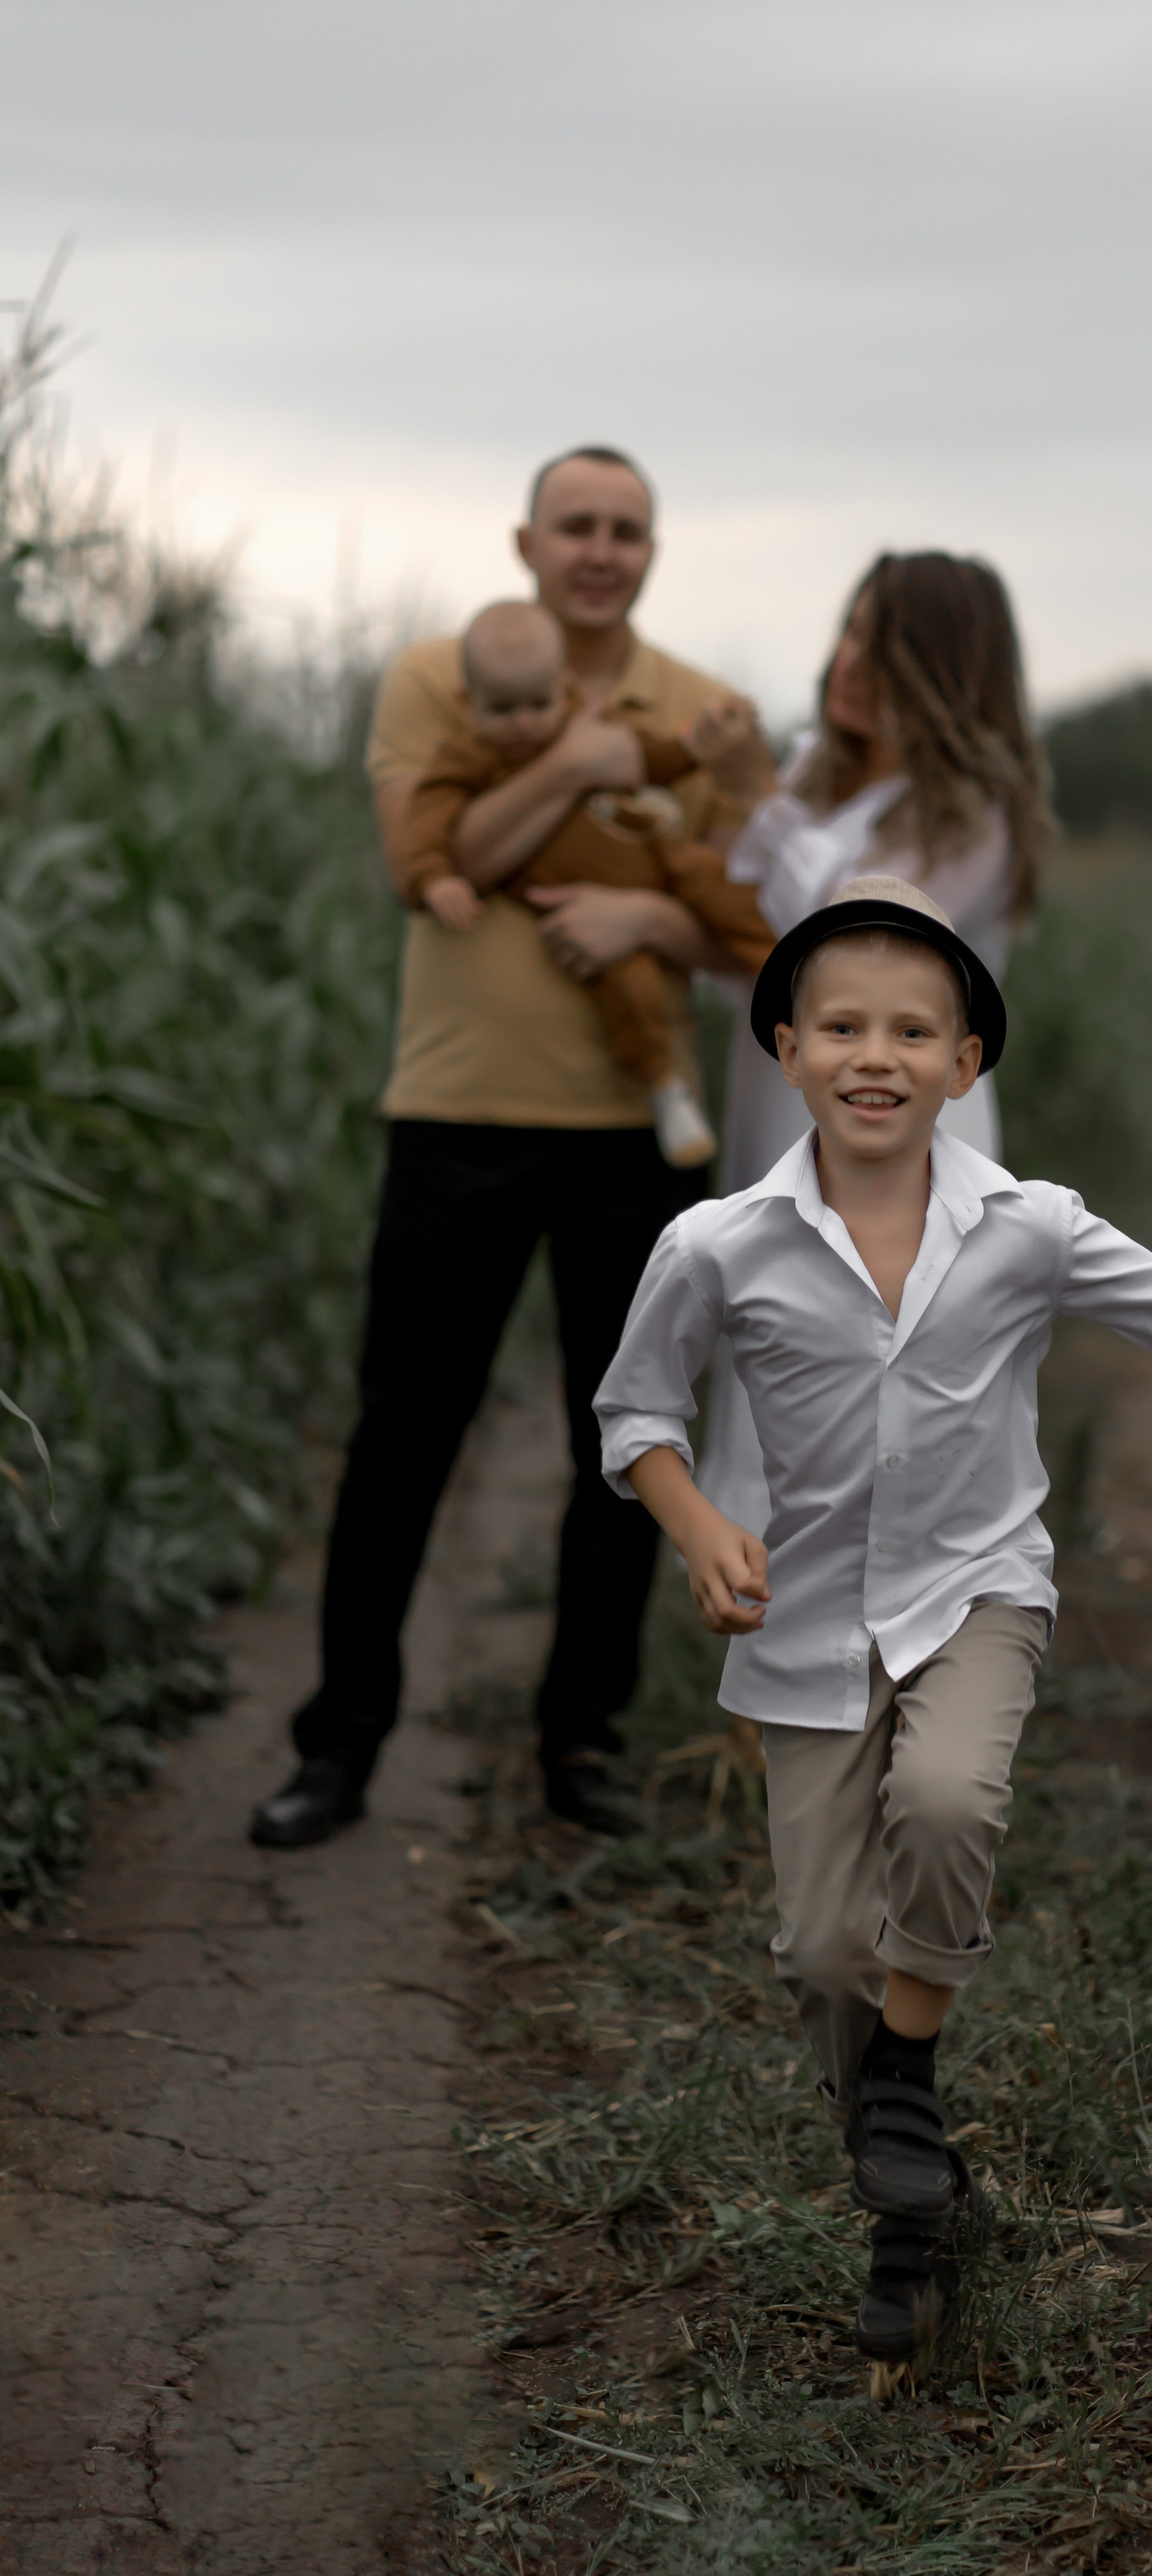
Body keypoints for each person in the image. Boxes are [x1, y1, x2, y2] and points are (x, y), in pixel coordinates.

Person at [594, 874, 1152, 2374]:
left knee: (950, 1800)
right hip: (806, 1623)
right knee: (822, 1953)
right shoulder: (716, 1245)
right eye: (840, 1026)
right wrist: (697, 1529)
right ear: (782, 1049)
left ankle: (902, 2109)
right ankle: (915, 2186)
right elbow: (635, 1410)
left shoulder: (1027, 1230)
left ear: (968, 1065)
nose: (874, 1054)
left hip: (976, 1593)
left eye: (912, 1029)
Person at [250, 446, 774, 1851]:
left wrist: (645, 924)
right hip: (457, 1116)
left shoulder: (693, 707)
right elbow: (434, 863)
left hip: (638, 1137)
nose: (600, 550)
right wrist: (585, 763)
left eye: (626, 530)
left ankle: (580, 1743)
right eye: (575, 526)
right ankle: (340, 1744)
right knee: (401, 1439)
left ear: (651, 552)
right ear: (526, 541)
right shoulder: (442, 672)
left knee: (624, 1447)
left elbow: (726, 907)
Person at [698, 548, 1047, 1538]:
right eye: (850, 631)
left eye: (883, 646)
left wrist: (753, 799)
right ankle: (762, 1678)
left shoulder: (974, 818)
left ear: (944, 672)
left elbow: (854, 940)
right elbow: (762, 960)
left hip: (903, 1139)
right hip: (785, 1110)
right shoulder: (823, 776)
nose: (848, 661)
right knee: (769, 1382)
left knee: (869, 1401)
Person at [401, 600, 774, 1171]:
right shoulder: (470, 757)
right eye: (502, 710)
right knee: (629, 987)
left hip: (661, 856)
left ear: (565, 687)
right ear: (466, 705)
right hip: (575, 908)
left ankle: (802, 980)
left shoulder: (595, 724)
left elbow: (650, 756)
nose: (524, 723)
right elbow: (425, 825)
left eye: (538, 704)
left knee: (735, 902)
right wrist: (432, 878)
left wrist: (692, 748)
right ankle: (663, 1087)